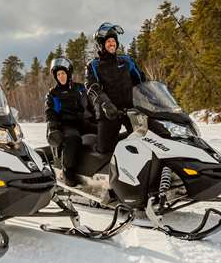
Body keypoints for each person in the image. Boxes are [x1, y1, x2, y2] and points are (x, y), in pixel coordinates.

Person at [85, 22, 146, 155]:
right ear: (101, 44)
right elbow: (92, 88)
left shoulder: (126, 61)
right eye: (108, 41)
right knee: (104, 150)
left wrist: (152, 100)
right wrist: (106, 104)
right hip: (109, 112)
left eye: (114, 41)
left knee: (145, 142)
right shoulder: (94, 65)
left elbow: (141, 82)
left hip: (131, 111)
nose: (112, 43)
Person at [45, 57, 95, 187]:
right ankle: (68, 172)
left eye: (63, 73)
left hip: (83, 122)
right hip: (66, 125)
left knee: (105, 131)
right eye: (58, 74)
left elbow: (90, 104)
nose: (61, 76)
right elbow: (51, 112)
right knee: (72, 138)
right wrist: (53, 127)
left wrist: (99, 117)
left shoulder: (80, 88)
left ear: (68, 74)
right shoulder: (53, 93)